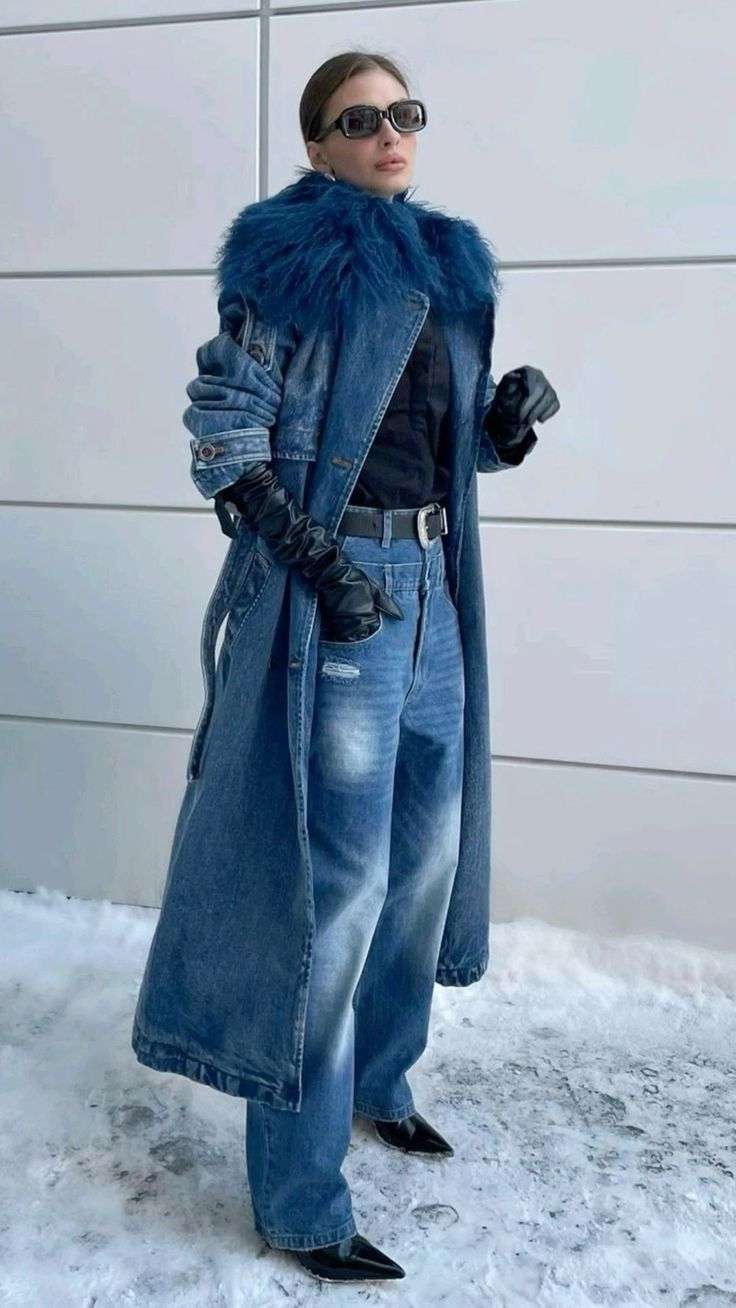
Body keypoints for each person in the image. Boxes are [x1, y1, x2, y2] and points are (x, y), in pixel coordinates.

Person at [130, 50, 559, 1286]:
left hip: (435, 595)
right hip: (344, 602)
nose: (387, 132)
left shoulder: (448, 268)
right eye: (357, 118)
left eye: (401, 112)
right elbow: (226, 437)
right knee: (337, 895)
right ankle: (300, 1197)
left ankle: (381, 1080)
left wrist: (503, 428)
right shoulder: (292, 264)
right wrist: (319, 566)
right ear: (317, 143)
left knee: (422, 869)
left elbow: (437, 446)